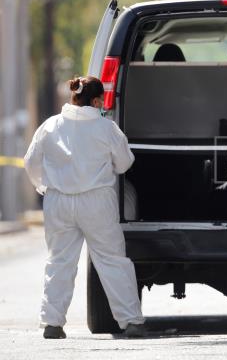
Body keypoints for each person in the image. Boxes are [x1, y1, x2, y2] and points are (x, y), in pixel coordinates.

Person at [24, 76, 146, 339]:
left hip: (58, 201)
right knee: (112, 260)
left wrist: (43, 186)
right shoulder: (106, 128)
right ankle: (131, 322)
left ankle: (52, 323)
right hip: (96, 200)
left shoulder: (50, 126)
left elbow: (31, 162)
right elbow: (124, 163)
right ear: (96, 100)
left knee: (59, 261)